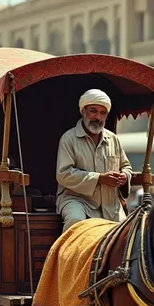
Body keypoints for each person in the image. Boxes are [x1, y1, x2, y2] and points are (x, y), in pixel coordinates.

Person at [56, 89, 133, 231]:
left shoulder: (113, 139)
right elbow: (63, 174)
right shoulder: (69, 139)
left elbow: (126, 166)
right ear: (83, 111)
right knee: (75, 221)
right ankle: (67, 254)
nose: (98, 117)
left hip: (110, 205)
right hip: (77, 200)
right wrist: (99, 178)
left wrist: (124, 176)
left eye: (103, 113)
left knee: (127, 234)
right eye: (93, 111)